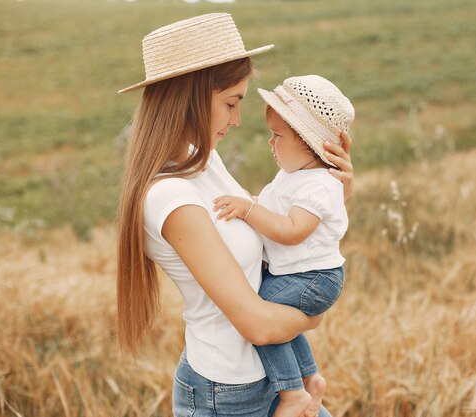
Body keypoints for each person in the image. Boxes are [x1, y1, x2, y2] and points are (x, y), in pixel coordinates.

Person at [115, 13, 354, 417]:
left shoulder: (203, 161)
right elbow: (258, 325)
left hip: (276, 379)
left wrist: (329, 188)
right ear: (189, 96)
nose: (237, 119)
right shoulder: (171, 198)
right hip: (226, 394)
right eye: (231, 103)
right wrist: (311, 316)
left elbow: (270, 229)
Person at [212, 75, 354, 417]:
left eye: (278, 136)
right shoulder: (296, 176)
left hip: (315, 278)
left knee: (262, 313)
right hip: (302, 274)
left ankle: (292, 392)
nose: (270, 143)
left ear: (310, 144)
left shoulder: (318, 185)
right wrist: (253, 205)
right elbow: (278, 209)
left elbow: (292, 231)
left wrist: (249, 209)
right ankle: (310, 379)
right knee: (276, 319)